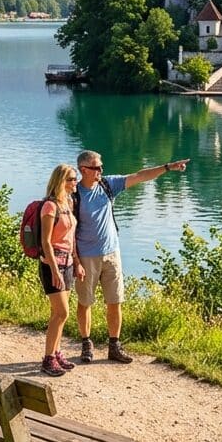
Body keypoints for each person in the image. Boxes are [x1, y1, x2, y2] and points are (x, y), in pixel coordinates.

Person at [74, 149, 189, 363]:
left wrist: (167, 167)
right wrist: (75, 261)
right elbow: (69, 230)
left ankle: (114, 346)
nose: (101, 170)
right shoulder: (74, 195)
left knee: (115, 301)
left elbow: (139, 176)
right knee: (85, 302)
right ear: (83, 170)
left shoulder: (108, 185)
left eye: (101, 166)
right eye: (96, 167)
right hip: (87, 257)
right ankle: (86, 345)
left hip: (112, 254)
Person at [37, 164, 84, 376]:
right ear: (61, 182)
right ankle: (48, 359)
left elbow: (70, 237)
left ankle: (56, 352)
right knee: (61, 312)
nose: (76, 182)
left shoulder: (69, 203)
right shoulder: (50, 206)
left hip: (68, 263)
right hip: (52, 265)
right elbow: (46, 242)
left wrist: (77, 261)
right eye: (72, 179)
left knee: (60, 314)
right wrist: (55, 271)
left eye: (75, 178)